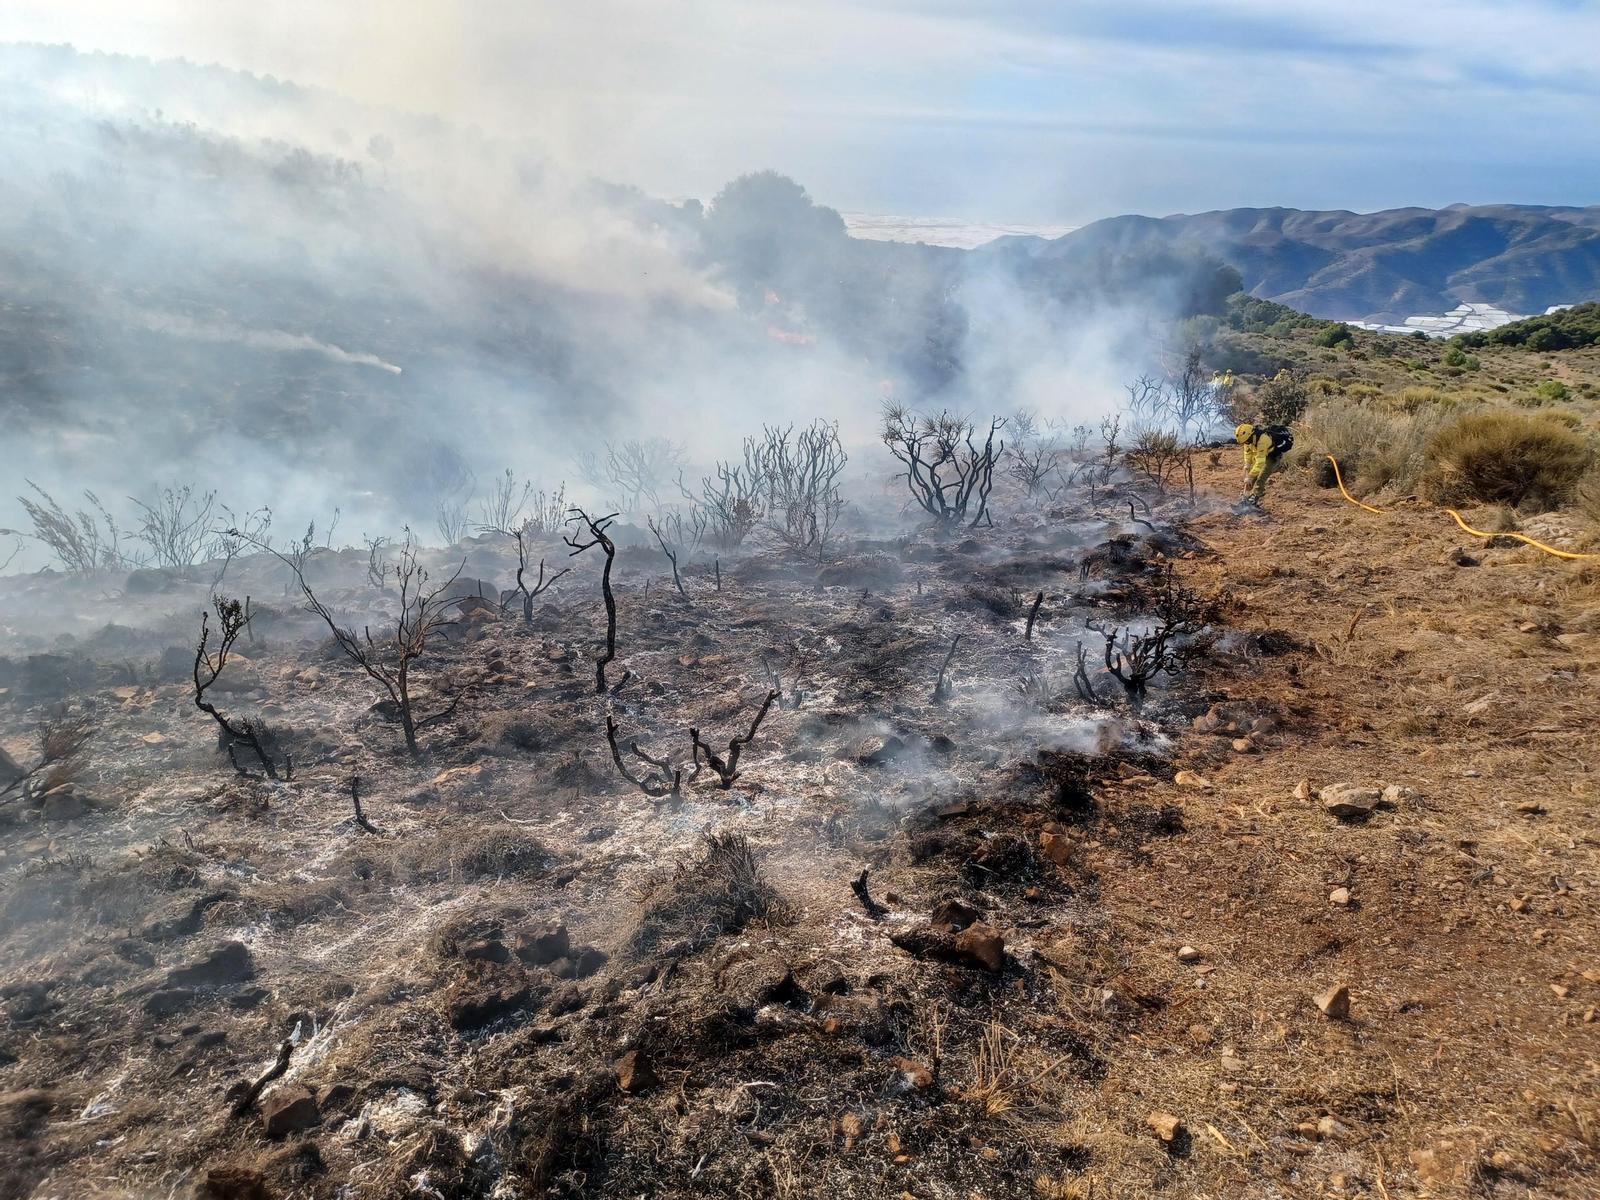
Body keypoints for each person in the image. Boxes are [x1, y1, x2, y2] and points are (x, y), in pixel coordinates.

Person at [1236, 422, 1293, 504]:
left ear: (1250, 435)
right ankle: (1246, 497)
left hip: (1272, 456)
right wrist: (1247, 463)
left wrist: (1250, 476)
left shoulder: (1262, 440)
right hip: (1263, 455)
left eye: (1247, 441)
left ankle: (1254, 499)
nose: (1246, 443)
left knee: (1261, 477)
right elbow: (1247, 452)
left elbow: (1260, 462)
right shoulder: (1248, 440)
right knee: (1252, 479)